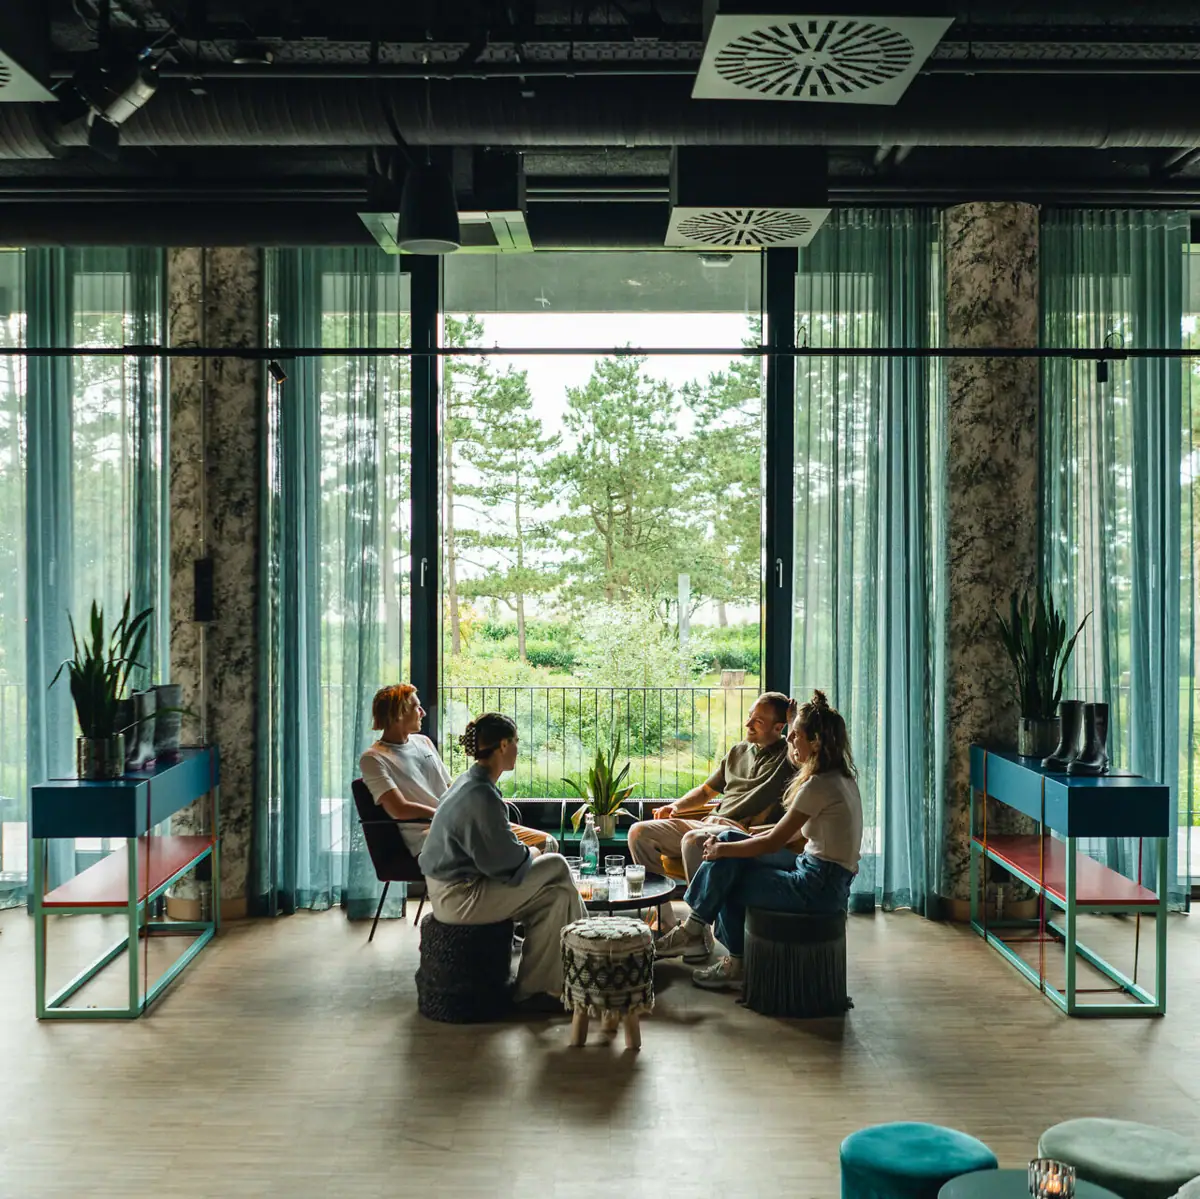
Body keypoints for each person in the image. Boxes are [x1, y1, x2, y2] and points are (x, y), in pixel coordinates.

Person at [654, 690, 862, 993]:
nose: (790, 740)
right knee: (729, 840)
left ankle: (731, 959)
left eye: (795, 735)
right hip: (818, 871)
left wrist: (723, 850)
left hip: (818, 885)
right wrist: (733, 842)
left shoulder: (817, 786)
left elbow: (772, 843)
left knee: (730, 880)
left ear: (816, 742)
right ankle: (694, 927)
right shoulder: (839, 778)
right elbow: (785, 834)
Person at [419, 713, 586, 1013]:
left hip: (451, 890)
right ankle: (590, 955)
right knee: (557, 865)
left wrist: (525, 853)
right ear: (504, 745)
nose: (518, 749)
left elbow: (494, 851)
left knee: (559, 896)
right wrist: (532, 853)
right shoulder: (480, 794)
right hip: (460, 898)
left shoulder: (469, 781)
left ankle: (537, 989)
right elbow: (504, 864)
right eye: (517, 741)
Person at [627, 691, 797, 955]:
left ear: (779, 727)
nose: (748, 724)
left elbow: (806, 751)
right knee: (639, 832)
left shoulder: (789, 756)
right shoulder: (738, 751)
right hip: (709, 822)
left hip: (737, 833)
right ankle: (668, 923)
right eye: (749, 717)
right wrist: (676, 807)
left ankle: (697, 931)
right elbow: (706, 791)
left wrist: (794, 721)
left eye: (758, 721)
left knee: (694, 842)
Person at [359, 684, 557, 857]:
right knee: (510, 854)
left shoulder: (424, 742)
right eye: (416, 707)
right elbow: (399, 809)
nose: (423, 712)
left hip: (463, 823)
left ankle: (518, 884)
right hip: (432, 836)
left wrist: (480, 804)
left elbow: (450, 788)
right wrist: (445, 815)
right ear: (398, 714)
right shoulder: (374, 758)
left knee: (546, 843)